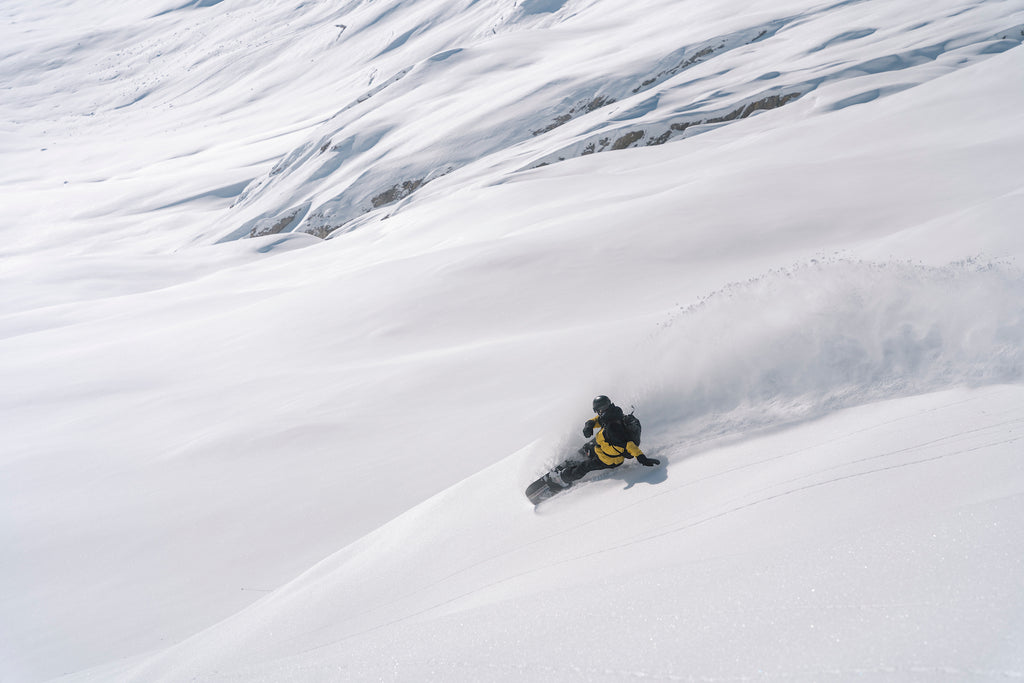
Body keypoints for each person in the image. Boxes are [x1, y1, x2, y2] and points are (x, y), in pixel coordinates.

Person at [548, 395, 660, 489]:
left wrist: (642, 458)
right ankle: (588, 452)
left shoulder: (613, 427)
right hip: (602, 447)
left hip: (609, 459)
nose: (600, 411)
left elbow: (629, 445)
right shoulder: (612, 414)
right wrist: (589, 426)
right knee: (588, 446)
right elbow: (597, 420)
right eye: (600, 409)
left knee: (585, 466)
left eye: (601, 409)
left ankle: (563, 479)